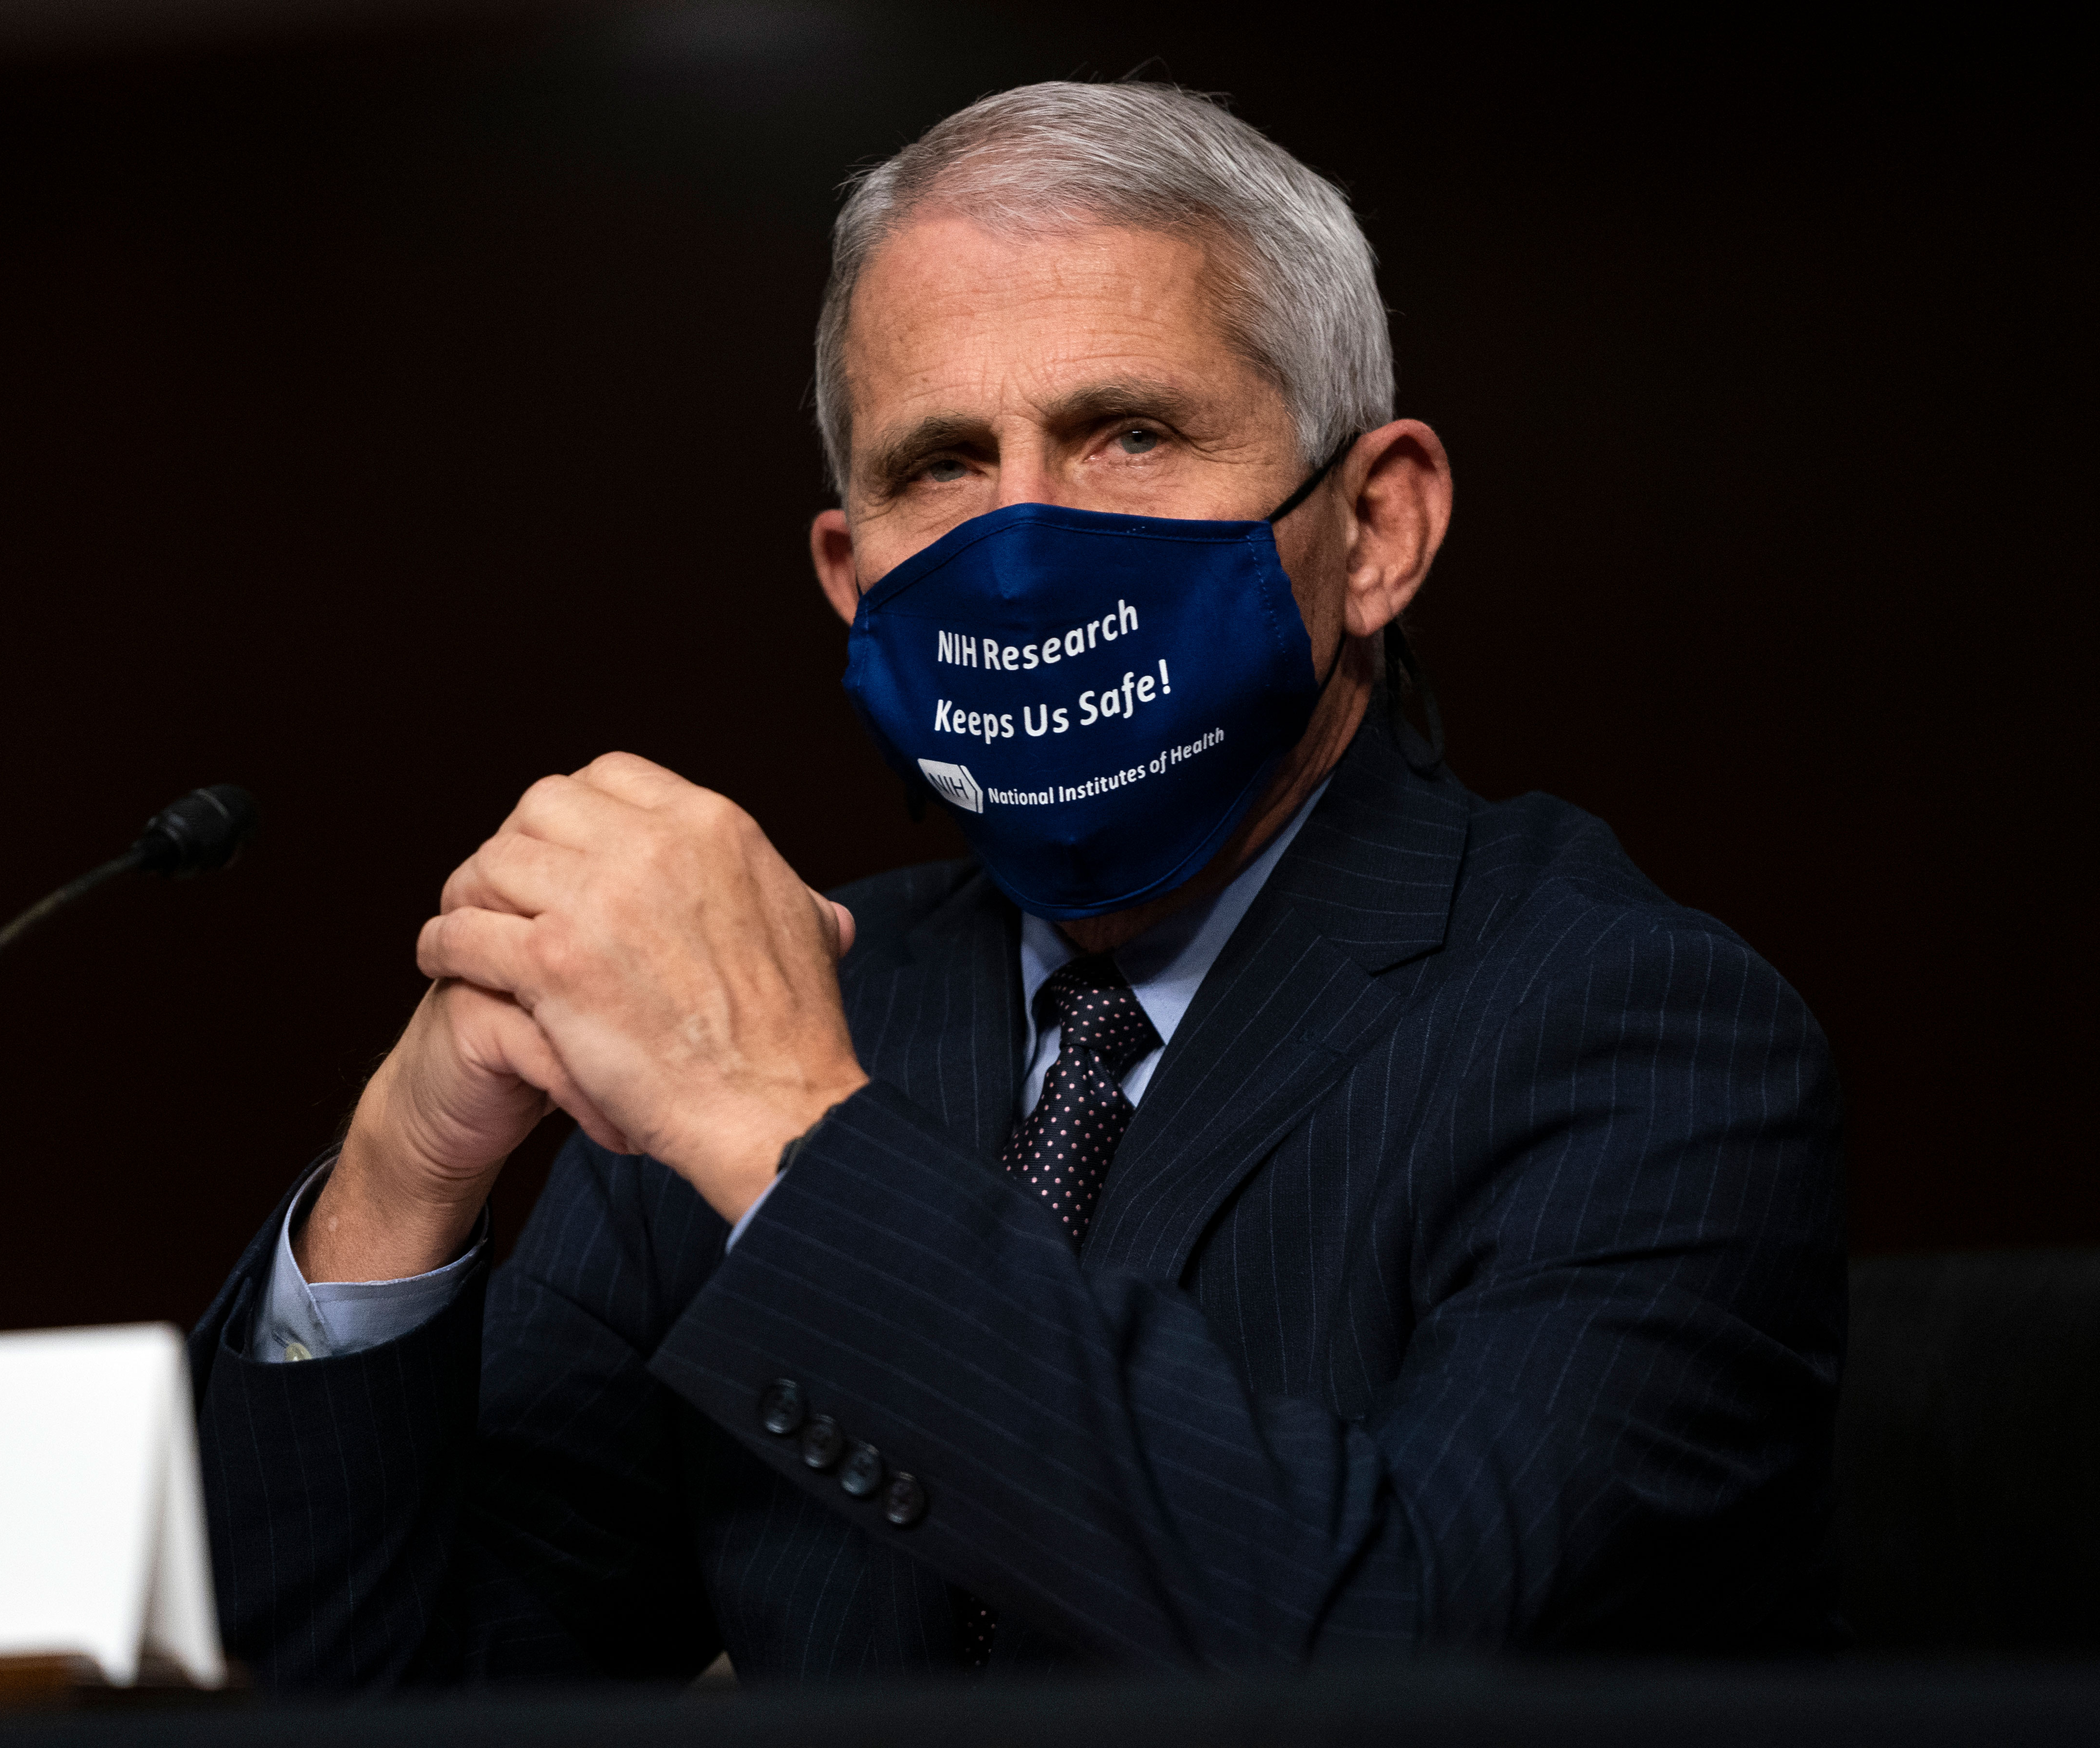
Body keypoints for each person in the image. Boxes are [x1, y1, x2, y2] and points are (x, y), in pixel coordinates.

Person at [189, 81, 1843, 1685]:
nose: (1029, 548)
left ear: (1378, 529)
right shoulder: (786, 1013)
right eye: (942, 466)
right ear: (850, 577)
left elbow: (1408, 1647)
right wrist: (398, 1190)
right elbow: (393, 1690)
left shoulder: (1640, 1031)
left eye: (1130, 433)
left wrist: (788, 1139)